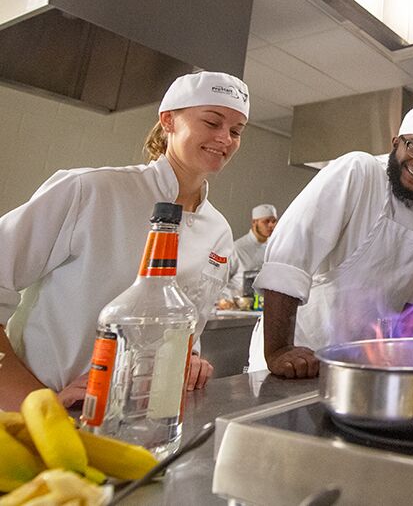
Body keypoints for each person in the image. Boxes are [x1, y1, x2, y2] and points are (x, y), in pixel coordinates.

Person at [0, 71, 250, 410]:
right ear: (168, 121)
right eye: (212, 122)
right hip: (42, 414)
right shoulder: (90, 191)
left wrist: (189, 358)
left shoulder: (217, 230)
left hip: (140, 418)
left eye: (236, 131)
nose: (225, 138)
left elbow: (182, 324)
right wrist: (39, 402)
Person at [248, 107, 413, 377]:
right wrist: (279, 350)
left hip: (364, 360)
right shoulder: (359, 171)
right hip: (302, 354)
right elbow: (288, 256)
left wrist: (410, 346)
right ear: (396, 143)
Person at [228, 203, 279, 296]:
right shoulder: (237, 248)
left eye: (274, 221)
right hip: (237, 301)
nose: (271, 225)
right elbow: (221, 280)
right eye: (266, 221)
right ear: (254, 222)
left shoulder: (275, 248)